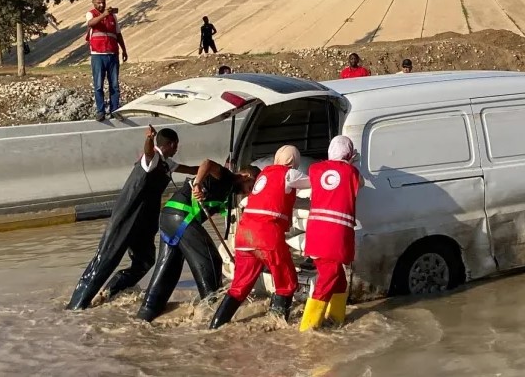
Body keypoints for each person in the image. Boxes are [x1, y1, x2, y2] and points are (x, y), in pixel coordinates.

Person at [67, 126, 197, 310]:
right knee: (106, 259)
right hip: (127, 218)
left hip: (144, 224)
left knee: (145, 261)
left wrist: (216, 170)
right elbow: (148, 153)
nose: (177, 149)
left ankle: (111, 291)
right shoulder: (151, 159)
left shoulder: (168, 164)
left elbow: (192, 169)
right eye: (176, 146)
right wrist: (149, 139)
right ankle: (77, 305)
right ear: (171, 144)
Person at [136, 160, 258, 322]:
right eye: (251, 186)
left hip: (169, 217)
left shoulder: (227, 192)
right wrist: (198, 184)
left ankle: (147, 313)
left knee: (169, 268)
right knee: (211, 259)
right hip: (181, 217)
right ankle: (211, 313)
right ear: (246, 176)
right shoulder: (226, 176)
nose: (249, 192)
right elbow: (207, 163)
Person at [209, 145, 311, 329]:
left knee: (239, 287)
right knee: (287, 282)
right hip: (266, 236)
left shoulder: (263, 175)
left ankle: (214, 327)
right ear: (293, 161)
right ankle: (275, 328)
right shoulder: (289, 174)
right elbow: (316, 183)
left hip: (244, 235)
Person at [299, 136, 363, 332]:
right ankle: (308, 328)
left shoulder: (315, 169)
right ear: (349, 154)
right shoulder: (352, 172)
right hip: (336, 234)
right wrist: (351, 163)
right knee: (330, 276)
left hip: (316, 232)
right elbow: (359, 184)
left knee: (339, 279)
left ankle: (336, 321)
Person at [86, 0, 128, 121]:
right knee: (98, 85)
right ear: (94, 3)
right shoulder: (91, 14)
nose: (102, 4)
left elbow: (118, 34)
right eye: (98, 2)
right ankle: (100, 111)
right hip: (98, 55)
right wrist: (103, 15)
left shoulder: (112, 17)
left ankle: (115, 110)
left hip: (112, 54)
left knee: (114, 84)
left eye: (103, 2)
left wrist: (124, 50)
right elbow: (91, 23)